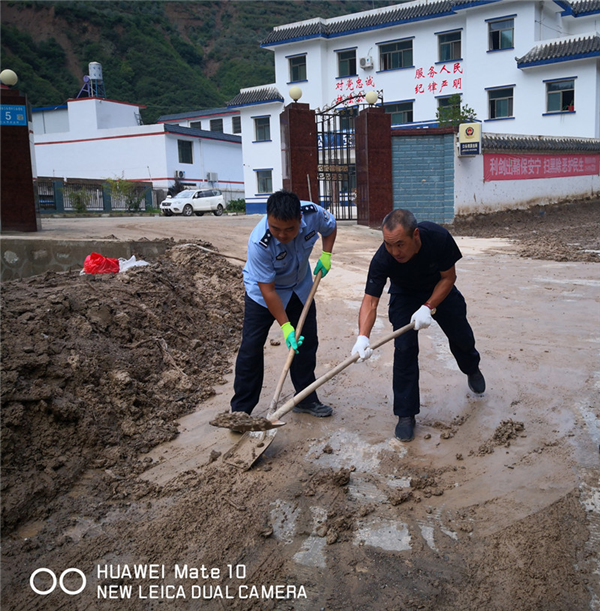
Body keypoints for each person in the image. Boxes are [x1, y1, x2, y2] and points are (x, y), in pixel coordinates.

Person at [351, 208, 484, 442]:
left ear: (415, 235)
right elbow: (370, 301)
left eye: (400, 244)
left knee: (460, 333)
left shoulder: (438, 238)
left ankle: (471, 367)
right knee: (404, 349)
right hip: (404, 295)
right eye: (389, 245)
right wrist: (363, 336)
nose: (394, 252)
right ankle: (405, 414)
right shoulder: (383, 258)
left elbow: (449, 278)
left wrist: (428, 306)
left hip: (439, 289)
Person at [231, 189, 337, 418]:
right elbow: (268, 291)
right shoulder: (259, 242)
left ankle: (305, 399)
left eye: (289, 229)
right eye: (275, 228)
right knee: (251, 347)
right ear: (268, 218)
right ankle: (241, 410)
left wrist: (326, 254)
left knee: (307, 344)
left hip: (299, 287)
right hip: (263, 295)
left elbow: (330, 227)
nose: (282, 234)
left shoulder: (313, 213)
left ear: (300, 218)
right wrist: (286, 327)